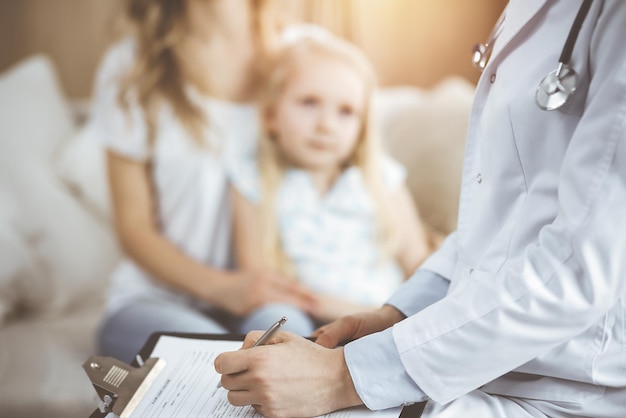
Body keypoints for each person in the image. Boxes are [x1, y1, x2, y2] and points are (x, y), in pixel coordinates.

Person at [214, 1, 626, 417]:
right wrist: (397, 314)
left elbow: (578, 270)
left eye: (344, 112)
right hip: (466, 360)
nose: (325, 124)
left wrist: (344, 376)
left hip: (567, 388)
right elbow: (497, 224)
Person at [92, 0, 327, 363]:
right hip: (154, 299)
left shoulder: (310, 54)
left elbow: (365, 170)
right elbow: (134, 227)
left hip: (269, 296)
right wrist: (225, 289)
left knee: (286, 355)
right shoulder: (131, 67)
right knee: (214, 364)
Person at [228, 35, 436, 335]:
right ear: (272, 115)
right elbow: (258, 278)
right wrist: (317, 306)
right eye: (309, 103)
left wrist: (368, 315)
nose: (326, 125)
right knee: (270, 321)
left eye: (346, 112)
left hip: (380, 319)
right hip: (299, 316)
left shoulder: (381, 179)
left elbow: (417, 265)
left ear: (361, 127)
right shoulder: (253, 181)